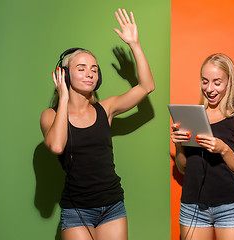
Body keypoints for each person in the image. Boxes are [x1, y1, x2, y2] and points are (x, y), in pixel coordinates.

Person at [40, 9, 154, 240]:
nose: (89, 73)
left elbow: (146, 86)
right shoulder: (49, 116)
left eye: (94, 69)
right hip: (76, 210)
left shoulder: (106, 108)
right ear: (64, 75)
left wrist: (135, 44)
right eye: (81, 68)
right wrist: (63, 98)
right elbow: (57, 147)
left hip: (112, 205)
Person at [170, 53, 234, 240]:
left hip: (230, 209)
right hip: (192, 207)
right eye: (205, 81)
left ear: (229, 83)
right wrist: (178, 145)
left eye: (217, 82)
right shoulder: (192, 117)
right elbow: (183, 167)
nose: (209, 89)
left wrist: (223, 149)